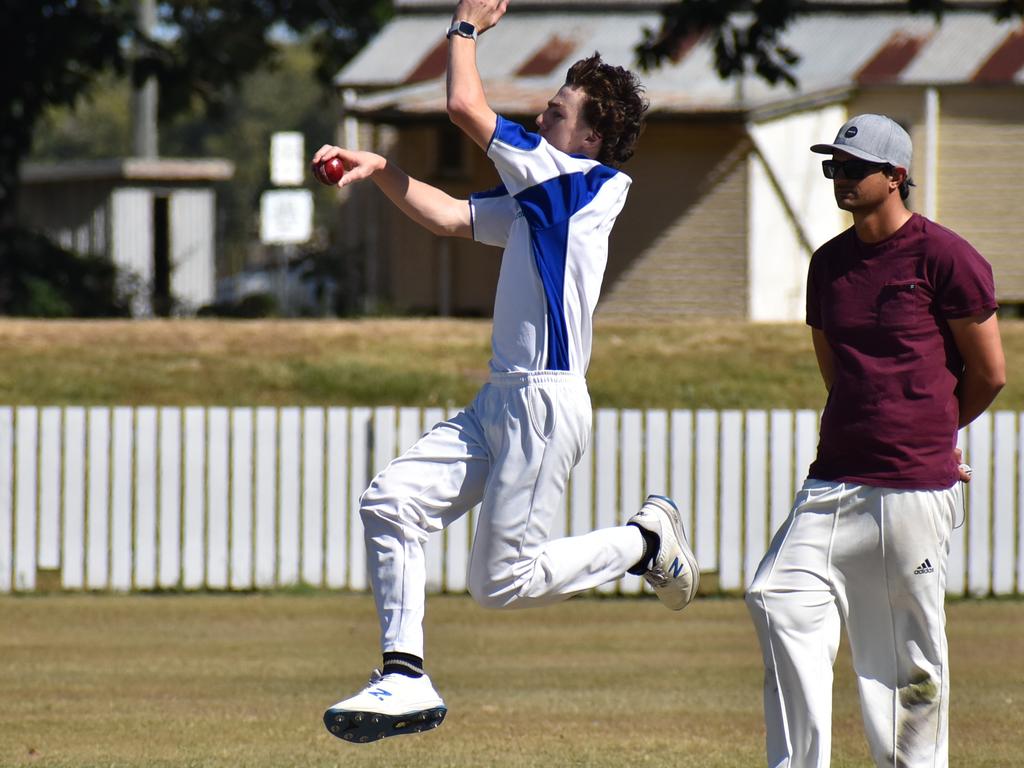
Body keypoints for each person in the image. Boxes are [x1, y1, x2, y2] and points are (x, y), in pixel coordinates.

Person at [315, 0, 699, 744]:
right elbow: (450, 218)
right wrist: (383, 167)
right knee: (390, 502)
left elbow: (463, 102)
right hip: (502, 401)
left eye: (557, 111)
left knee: (498, 587)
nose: (542, 117)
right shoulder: (543, 197)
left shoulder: (571, 182)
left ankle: (645, 543)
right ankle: (403, 673)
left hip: (545, 404)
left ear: (590, 135)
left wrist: (464, 27)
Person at [745, 113, 1006, 767]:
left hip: (913, 488)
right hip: (833, 479)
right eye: (834, 165)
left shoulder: (945, 257)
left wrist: (934, 434)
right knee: (775, 597)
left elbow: (991, 373)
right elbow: (837, 370)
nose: (841, 177)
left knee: (909, 662)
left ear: (896, 177)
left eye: (855, 167)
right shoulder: (827, 266)